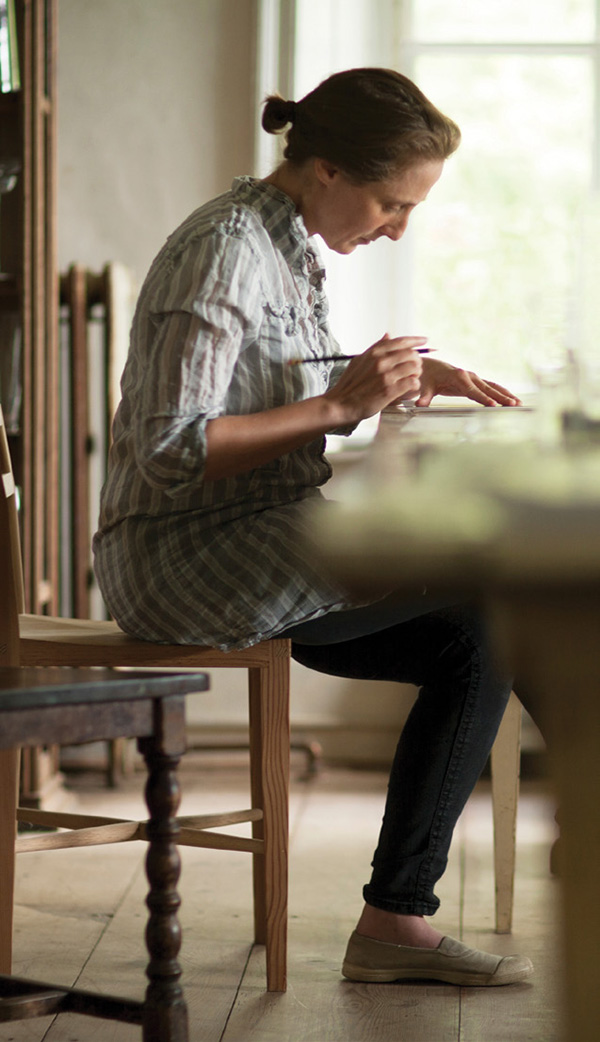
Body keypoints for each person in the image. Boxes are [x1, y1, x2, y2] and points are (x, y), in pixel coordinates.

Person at [93, 67, 533, 987]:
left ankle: (392, 922)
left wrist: (400, 373)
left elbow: (266, 377)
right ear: (326, 168)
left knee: (480, 635)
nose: (397, 226)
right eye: (389, 202)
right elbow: (171, 447)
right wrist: (340, 405)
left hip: (256, 530)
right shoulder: (225, 248)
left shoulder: (281, 239)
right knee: (490, 579)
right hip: (182, 556)